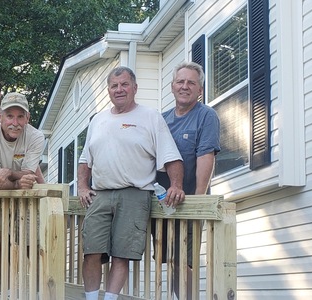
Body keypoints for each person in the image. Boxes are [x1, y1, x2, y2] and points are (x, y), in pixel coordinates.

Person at [78, 66, 185, 300]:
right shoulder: (98, 120)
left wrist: (176, 185)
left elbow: (171, 156)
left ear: (135, 88)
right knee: (91, 252)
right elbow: (85, 159)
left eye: (125, 84)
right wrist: (83, 187)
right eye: (114, 86)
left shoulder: (150, 117)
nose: (119, 89)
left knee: (121, 255)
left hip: (135, 194)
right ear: (108, 90)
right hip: (101, 194)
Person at [153, 61, 221, 299]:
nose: (185, 86)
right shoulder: (161, 120)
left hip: (189, 202)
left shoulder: (206, 116)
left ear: (200, 89)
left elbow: (206, 155)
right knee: (171, 260)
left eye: (191, 82)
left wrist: (197, 201)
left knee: (186, 262)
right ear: (172, 87)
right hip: (163, 204)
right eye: (180, 82)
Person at [0, 92, 45, 189]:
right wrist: (17, 184)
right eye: (10, 116)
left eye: (20, 117)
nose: (15, 123)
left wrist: (8, 172)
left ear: (27, 118)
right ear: (0, 117)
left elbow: (29, 173)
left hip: (25, 197)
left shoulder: (36, 137)